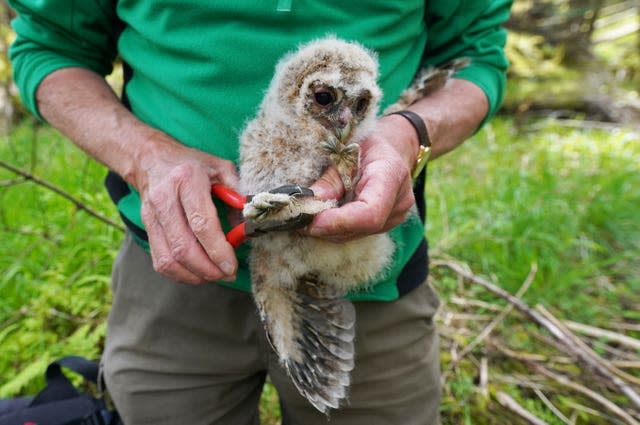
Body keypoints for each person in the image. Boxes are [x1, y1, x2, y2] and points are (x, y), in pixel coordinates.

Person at [9, 1, 511, 424]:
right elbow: (50, 46)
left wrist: (408, 136)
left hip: (368, 275)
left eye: (357, 107)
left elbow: (476, 58)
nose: (342, 121)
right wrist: (146, 155)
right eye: (324, 99)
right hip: (173, 271)